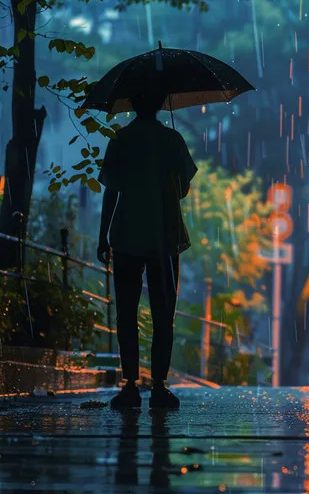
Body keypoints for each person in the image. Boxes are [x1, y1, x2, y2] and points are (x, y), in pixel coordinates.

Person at [97, 88, 198, 409]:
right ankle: (158, 385)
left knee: (126, 313)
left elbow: (110, 191)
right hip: (164, 237)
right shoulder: (172, 140)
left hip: (126, 234)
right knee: (163, 313)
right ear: (159, 104)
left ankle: (128, 384)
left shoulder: (121, 139)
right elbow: (182, 190)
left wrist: (103, 237)